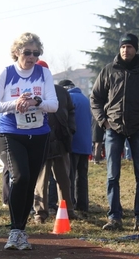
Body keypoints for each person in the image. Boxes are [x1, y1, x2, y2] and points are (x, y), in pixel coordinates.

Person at [0, 32, 58, 251]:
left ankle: (21, 232)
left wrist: (38, 101)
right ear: (16, 52)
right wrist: (14, 104)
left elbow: (53, 104)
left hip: (39, 134)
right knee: (20, 177)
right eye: (27, 52)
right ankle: (15, 230)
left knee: (30, 181)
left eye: (36, 53)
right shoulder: (6, 74)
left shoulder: (44, 73)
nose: (32, 57)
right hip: (10, 133)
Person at [90, 33, 139, 232]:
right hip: (113, 128)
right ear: (119, 49)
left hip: (138, 129)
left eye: (130, 46)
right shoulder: (109, 70)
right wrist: (104, 122)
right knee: (112, 176)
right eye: (123, 47)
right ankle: (114, 217)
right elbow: (95, 98)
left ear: (136, 48)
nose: (126, 50)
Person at [33, 60, 78, 223]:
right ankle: (40, 213)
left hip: (60, 140)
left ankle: (68, 210)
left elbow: (72, 111)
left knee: (64, 179)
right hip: (41, 141)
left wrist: (70, 129)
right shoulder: (31, 91)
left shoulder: (60, 91)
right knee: (41, 181)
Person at [58, 79, 92, 213]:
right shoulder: (85, 99)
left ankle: (70, 203)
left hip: (73, 142)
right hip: (85, 143)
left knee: (69, 176)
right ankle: (83, 205)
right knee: (82, 176)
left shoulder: (68, 98)